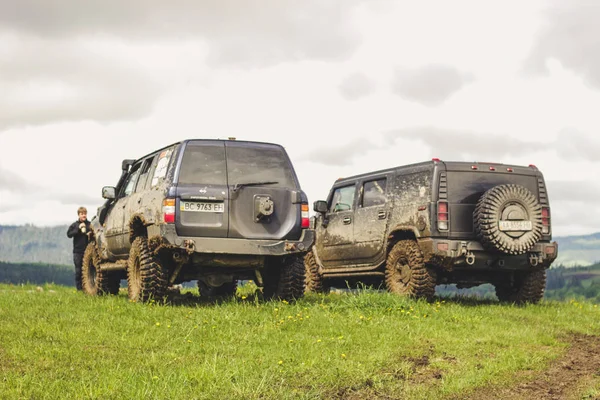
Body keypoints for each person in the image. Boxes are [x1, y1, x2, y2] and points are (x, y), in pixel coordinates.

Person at [66, 206, 92, 290]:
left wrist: (90, 234)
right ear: (79, 215)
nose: (84, 215)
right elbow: (69, 234)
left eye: (85, 214)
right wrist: (78, 228)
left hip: (88, 252)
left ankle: (87, 288)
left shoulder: (90, 224)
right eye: (82, 214)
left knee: (88, 270)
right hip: (77, 252)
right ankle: (79, 289)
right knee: (78, 271)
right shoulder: (74, 225)